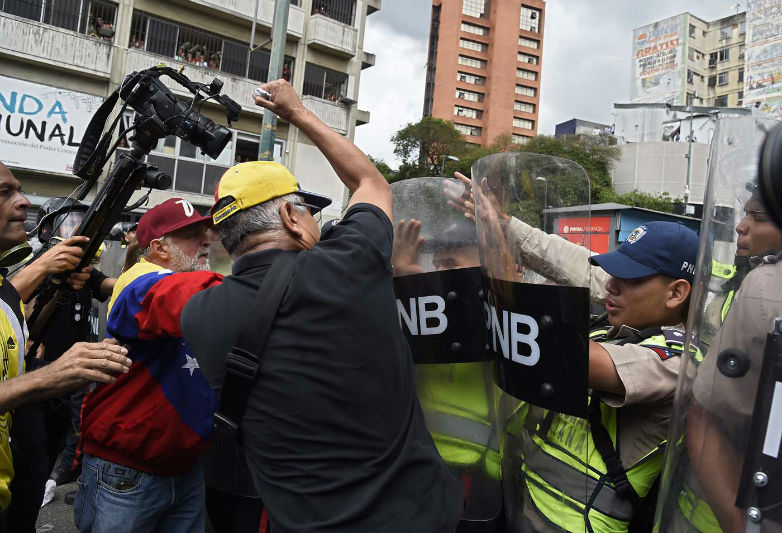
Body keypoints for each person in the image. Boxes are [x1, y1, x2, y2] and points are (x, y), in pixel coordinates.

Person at [181, 79, 464, 532]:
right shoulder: (346, 264)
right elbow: (370, 182)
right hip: (414, 519)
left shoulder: (198, 314)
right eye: (308, 212)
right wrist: (298, 113)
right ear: (292, 218)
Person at [447, 172, 699, 532]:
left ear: (676, 293)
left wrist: (497, 278)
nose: (610, 285)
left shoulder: (681, 359)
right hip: (519, 504)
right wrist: (504, 226)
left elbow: (577, 358)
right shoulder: (609, 328)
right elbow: (579, 266)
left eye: (631, 279)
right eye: (613, 272)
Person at [74, 198, 220, 533]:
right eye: (193, 234)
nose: (207, 241)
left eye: (205, 232)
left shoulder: (187, 280)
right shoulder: (142, 279)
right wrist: (257, 285)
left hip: (181, 463)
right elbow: (165, 296)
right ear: (158, 247)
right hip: (128, 468)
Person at [0, 162, 130, 530]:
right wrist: (47, 276)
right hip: (42, 384)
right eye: (4, 193)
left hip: (62, 385)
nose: (22, 202)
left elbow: (120, 291)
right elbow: (20, 314)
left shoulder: (76, 273)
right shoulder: (33, 266)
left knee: (43, 464)